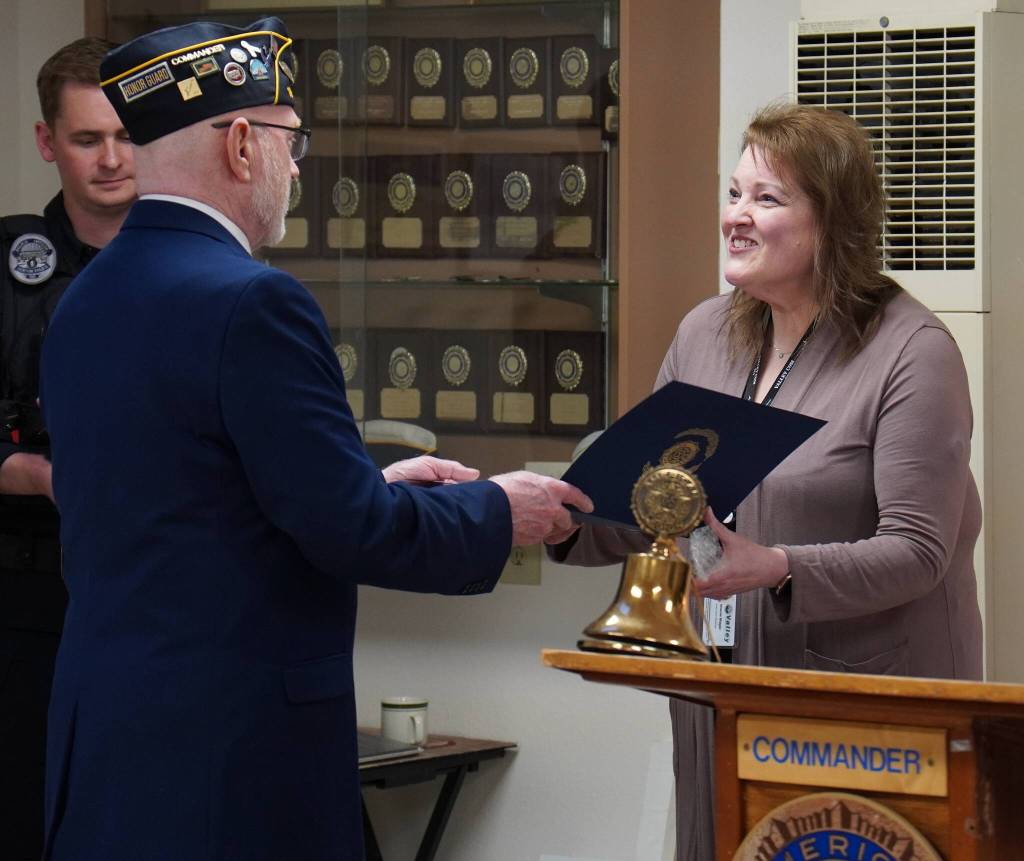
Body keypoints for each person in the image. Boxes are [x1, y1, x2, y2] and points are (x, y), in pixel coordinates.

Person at [37, 17, 592, 861]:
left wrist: (376, 486)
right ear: (239, 145)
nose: (297, 169)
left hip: (109, 744)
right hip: (232, 761)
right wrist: (494, 509)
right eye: (292, 144)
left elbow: (193, 500)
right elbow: (347, 529)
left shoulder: (87, 298)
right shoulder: (254, 301)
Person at [553, 102, 982, 859]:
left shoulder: (914, 352)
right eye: (733, 193)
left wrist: (777, 567)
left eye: (767, 199)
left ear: (834, 225)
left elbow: (919, 551)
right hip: (720, 698)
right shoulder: (704, 335)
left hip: (862, 721)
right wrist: (562, 518)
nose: (736, 218)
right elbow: (661, 505)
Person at [0, 36, 135, 860]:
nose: (113, 160)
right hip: (28, 608)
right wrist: (38, 475)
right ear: (49, 142)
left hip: (163, 606)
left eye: (127, 136)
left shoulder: (206, 263)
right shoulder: (8, 269)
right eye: (88, 140)